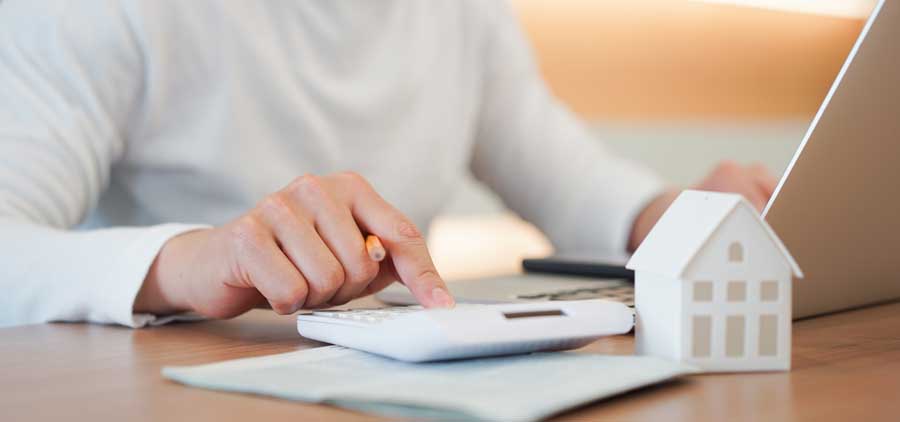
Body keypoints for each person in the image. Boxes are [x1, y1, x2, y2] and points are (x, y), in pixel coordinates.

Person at [0, 1, 777, 328]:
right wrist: (194, 259)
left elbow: (562, 171)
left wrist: (678, 219)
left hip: (386, 389)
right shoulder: (97, 13)